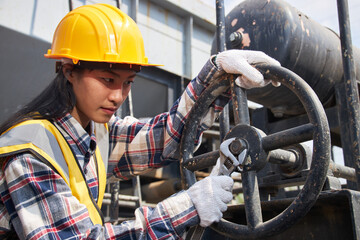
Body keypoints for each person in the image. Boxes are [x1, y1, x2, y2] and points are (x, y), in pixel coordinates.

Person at [0, 3, 280, 240]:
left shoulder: (96, 133)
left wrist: (217, 75)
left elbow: (166, 138)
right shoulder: (30, 153)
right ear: (68, 70)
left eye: (128, 83)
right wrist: (187, 206)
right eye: (107, 80)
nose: (117, 96)